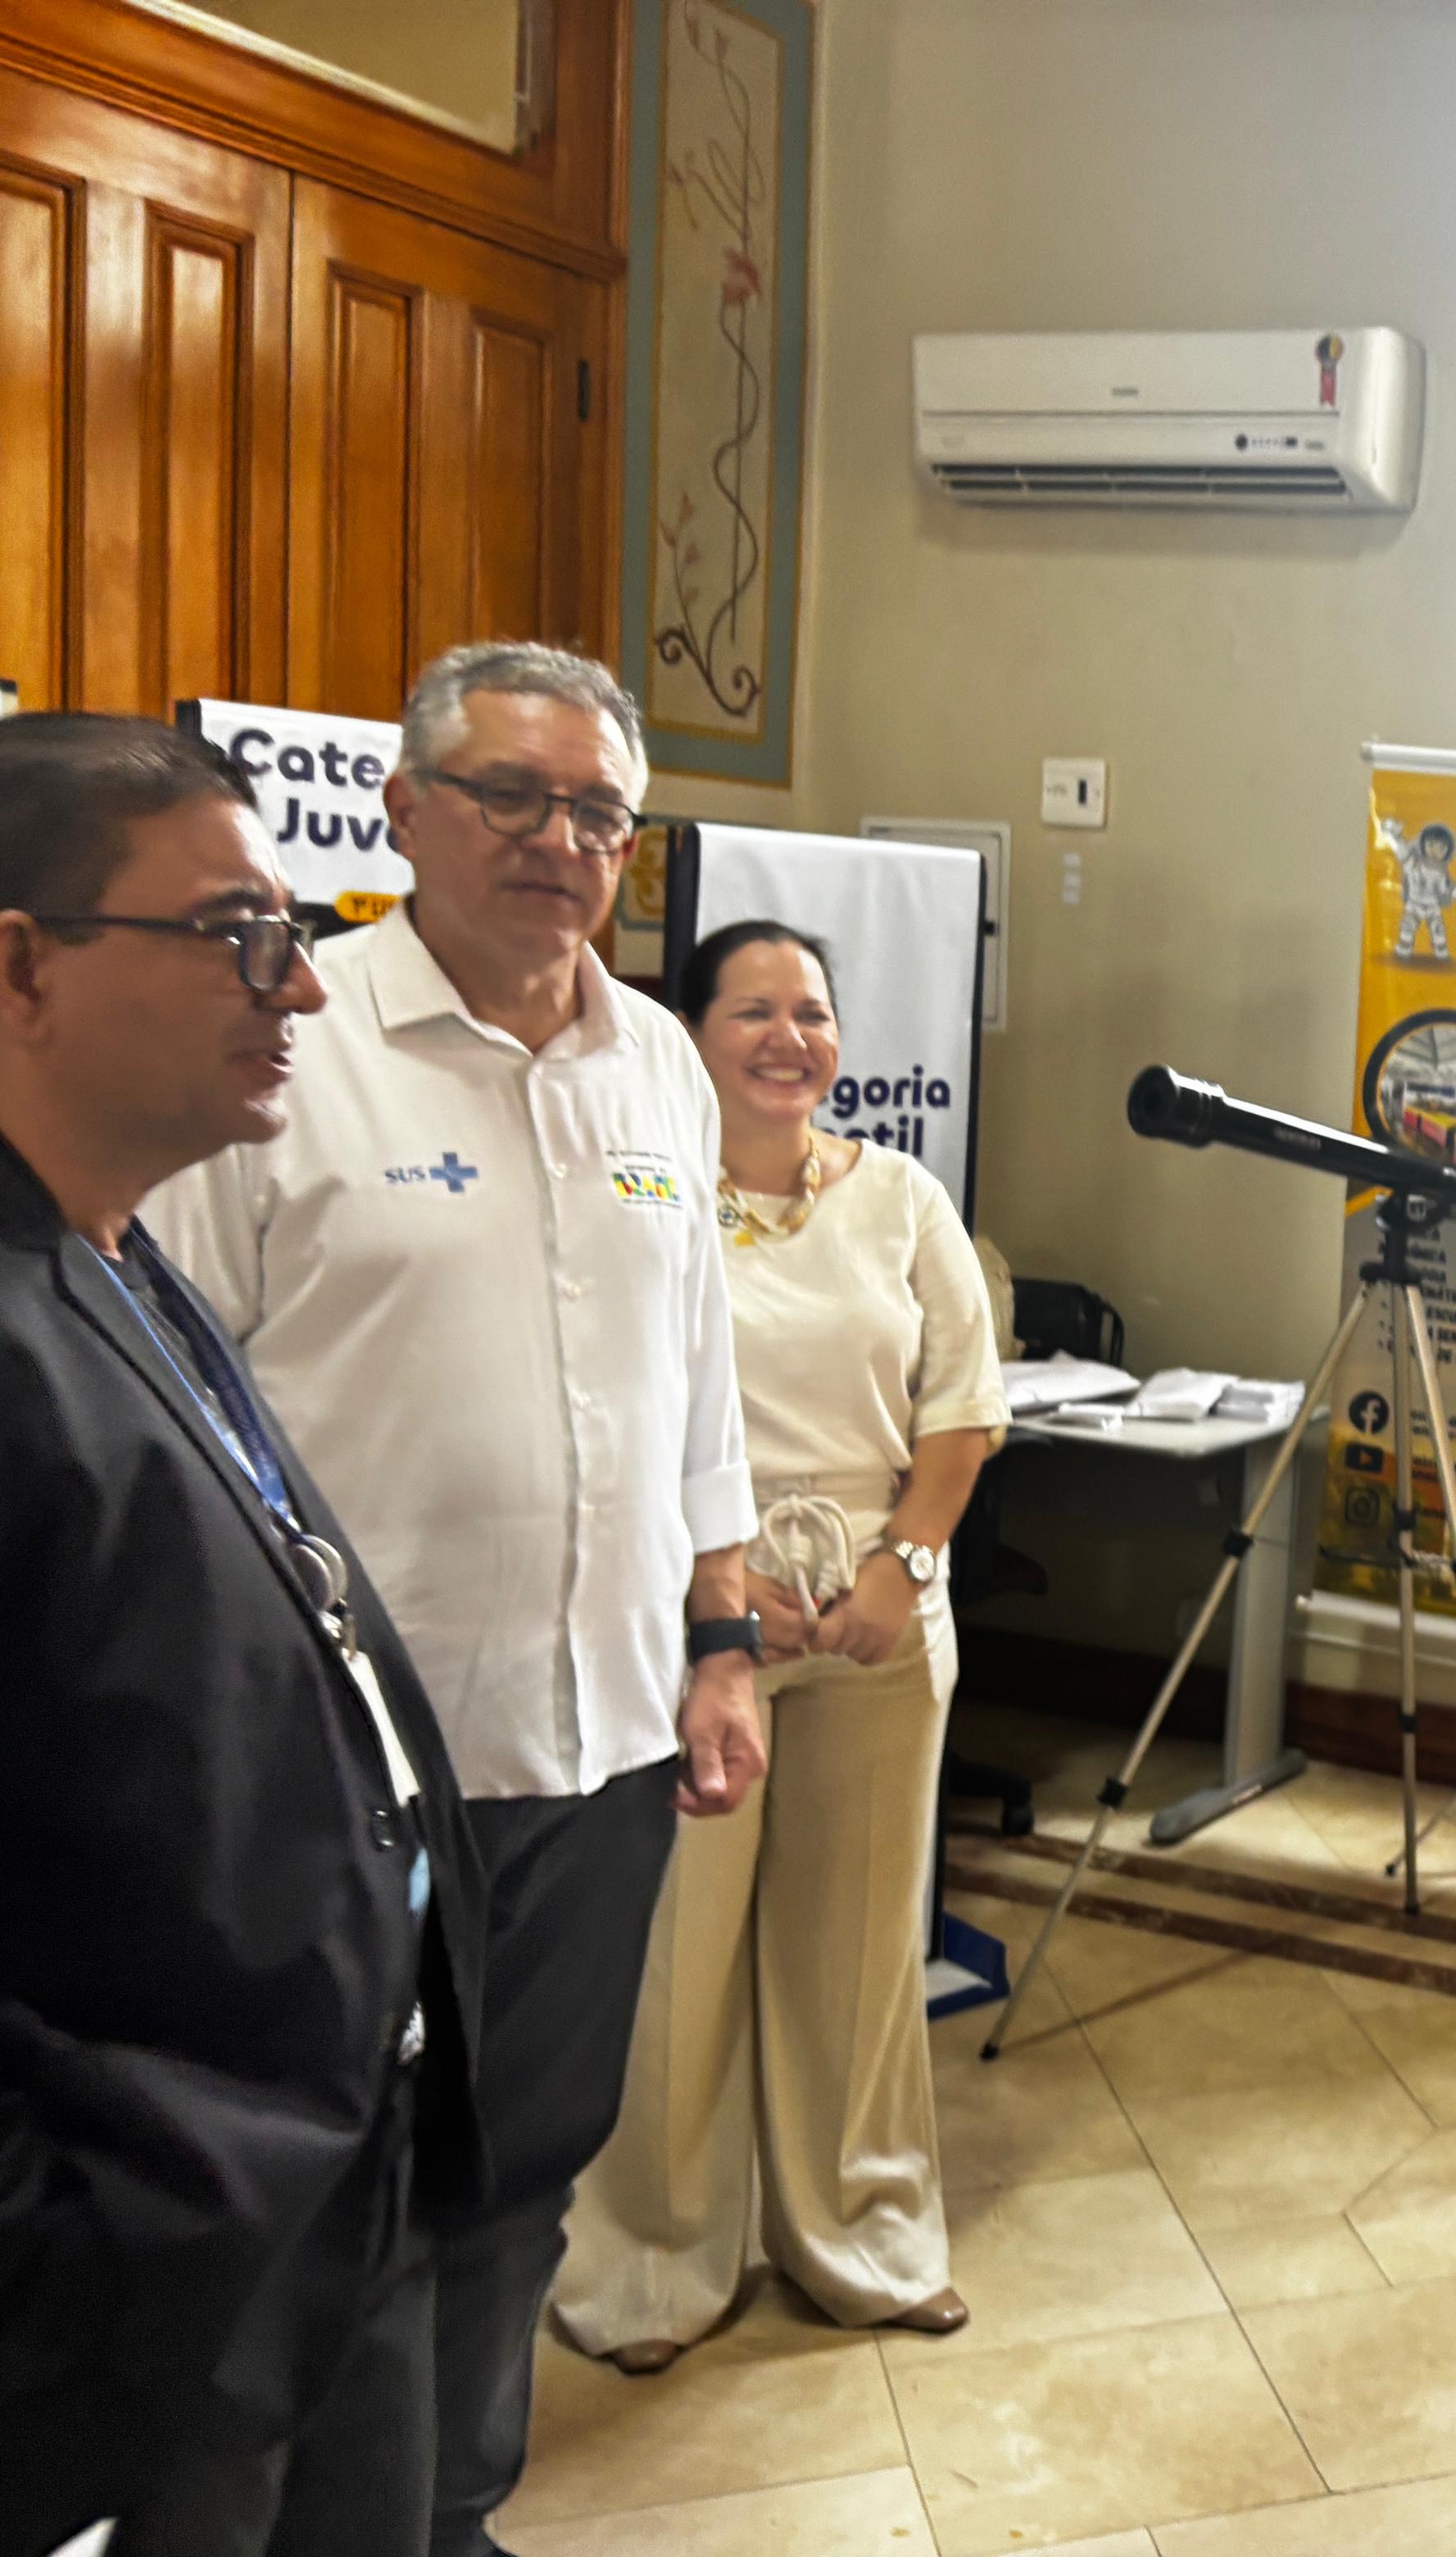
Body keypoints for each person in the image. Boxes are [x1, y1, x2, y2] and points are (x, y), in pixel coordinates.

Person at [146, 644, 765, 2557]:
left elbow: (701, 1378)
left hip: (597, 1745)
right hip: (350, 1776)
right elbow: (172, 1399)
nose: (555, 837)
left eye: (594, 809)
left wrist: (724, 1632)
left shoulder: (657, 1055)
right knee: (360, 2190)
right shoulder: (288, 1047)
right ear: (404, 810)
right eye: (510, 791)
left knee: (524, 2166)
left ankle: (452, 2504)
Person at [0, 716, 485, 2555]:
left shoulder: (116, 1252)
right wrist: (80, 2258)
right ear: (22, 962)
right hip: (149, 2264)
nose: (294, 987)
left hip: (324, 2177)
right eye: (231, 934)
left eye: (296, 930)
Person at [552, 920, 1005, 2371]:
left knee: (862, 1947)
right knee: (677, 1958)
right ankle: (653, 2263)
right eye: (751, 1009)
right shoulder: (645, 1190)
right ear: (687, 1031)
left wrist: (901, 1566)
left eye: (811, 1010)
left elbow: (965, 1406)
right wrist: (728, 1597)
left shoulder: (904, 1197)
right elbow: (621, 1403)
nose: (786, 1037)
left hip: (881, 1616)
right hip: (698, 1628)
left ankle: (864, 2235)